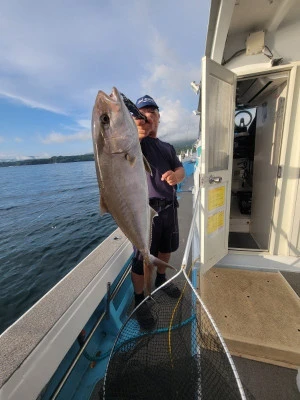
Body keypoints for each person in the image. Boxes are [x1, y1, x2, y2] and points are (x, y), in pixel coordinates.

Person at [131, 94, 185, 329]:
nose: (148, 115)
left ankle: (162, 280)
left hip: (170, 209)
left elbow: (180, 169)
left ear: (159, 117)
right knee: (141, 258)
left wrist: (176, 176)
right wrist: (137, 129)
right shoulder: (134, 143)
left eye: (152, 111)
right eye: (142, 113)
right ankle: (139, 300)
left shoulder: (168, 147)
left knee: (166, 250)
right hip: (146, 212)